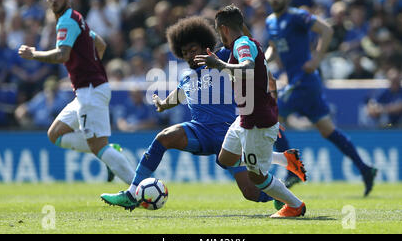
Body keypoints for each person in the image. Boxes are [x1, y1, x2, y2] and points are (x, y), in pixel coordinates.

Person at [100, 16, 306, 211]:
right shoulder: (186, 76)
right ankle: (132, 192)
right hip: (199, 131)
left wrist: (234, 23)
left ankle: (280, 195)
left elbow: (244, 41)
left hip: (229, 133)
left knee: (251, 193)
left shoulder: (221, 57)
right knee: (163, 138)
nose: (190, 54)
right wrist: (163, 104)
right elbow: (180, 95)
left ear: (205, 47)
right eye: (185, 51)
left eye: (194, 49)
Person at [264, 0, 377, 196]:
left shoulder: (297, 16)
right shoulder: (270, 22)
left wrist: (316, 59)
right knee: (328, 130)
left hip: (304, 81)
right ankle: (365, 169)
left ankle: (292, 168)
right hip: (302, 84)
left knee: (272, 118)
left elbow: (326, 30)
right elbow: (272, 48)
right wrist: (263, 60)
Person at [18, 0, 135, 184]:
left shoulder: (67, 20)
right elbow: (101, 44)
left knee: (98, 146)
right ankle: (109, 150)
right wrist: (88, 62)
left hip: (90, 89)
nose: (54, 0)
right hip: (85, 91)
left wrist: (34, 54)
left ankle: (139, 189)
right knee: (55, 134)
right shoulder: (77, 17)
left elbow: (63, 55)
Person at [193, 5, 306, 218]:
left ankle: (295, 205)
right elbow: (265, 76)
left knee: (257, 177)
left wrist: (218, 64)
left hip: (257, 122)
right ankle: (284, 159)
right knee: (225, 158)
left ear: (224, 29)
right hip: (246, 116)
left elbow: (248, 67)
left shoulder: (242, 44)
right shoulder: (248, 43)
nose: (220, 37)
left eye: (219, 32)